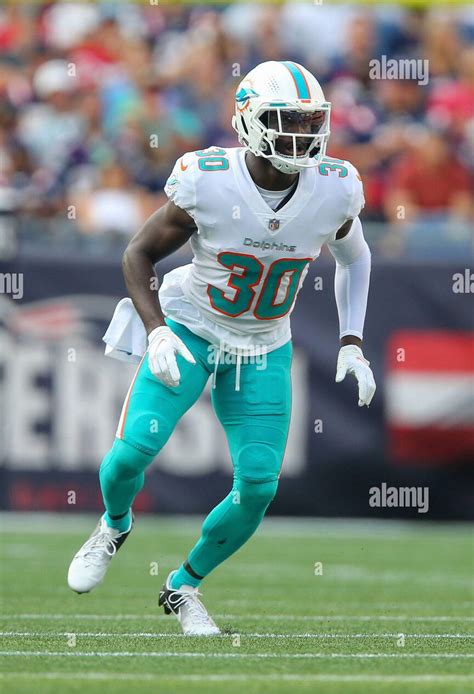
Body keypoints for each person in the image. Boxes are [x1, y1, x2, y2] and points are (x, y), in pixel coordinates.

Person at [67, 61, 376, 635]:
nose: (303, 136)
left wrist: (352, 341)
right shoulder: (207, 179)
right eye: (287, 122)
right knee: (132, 454)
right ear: (250, 121)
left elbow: (356, 258)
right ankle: (113, 524)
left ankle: (183, 585)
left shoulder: (335, 188)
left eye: (312, 122)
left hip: (263, 343)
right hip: (192, 325)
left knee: (258, 486)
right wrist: (157, 328)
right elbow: (137, 254)